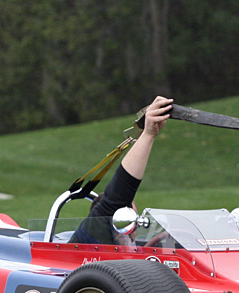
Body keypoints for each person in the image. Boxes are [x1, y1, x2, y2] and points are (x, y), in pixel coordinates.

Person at [71, 96, 173, 244]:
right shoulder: (92, 239)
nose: (133, 223)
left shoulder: (138, 246)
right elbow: (116, 199)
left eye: (133, 217)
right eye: (126, 218)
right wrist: (148, 135)